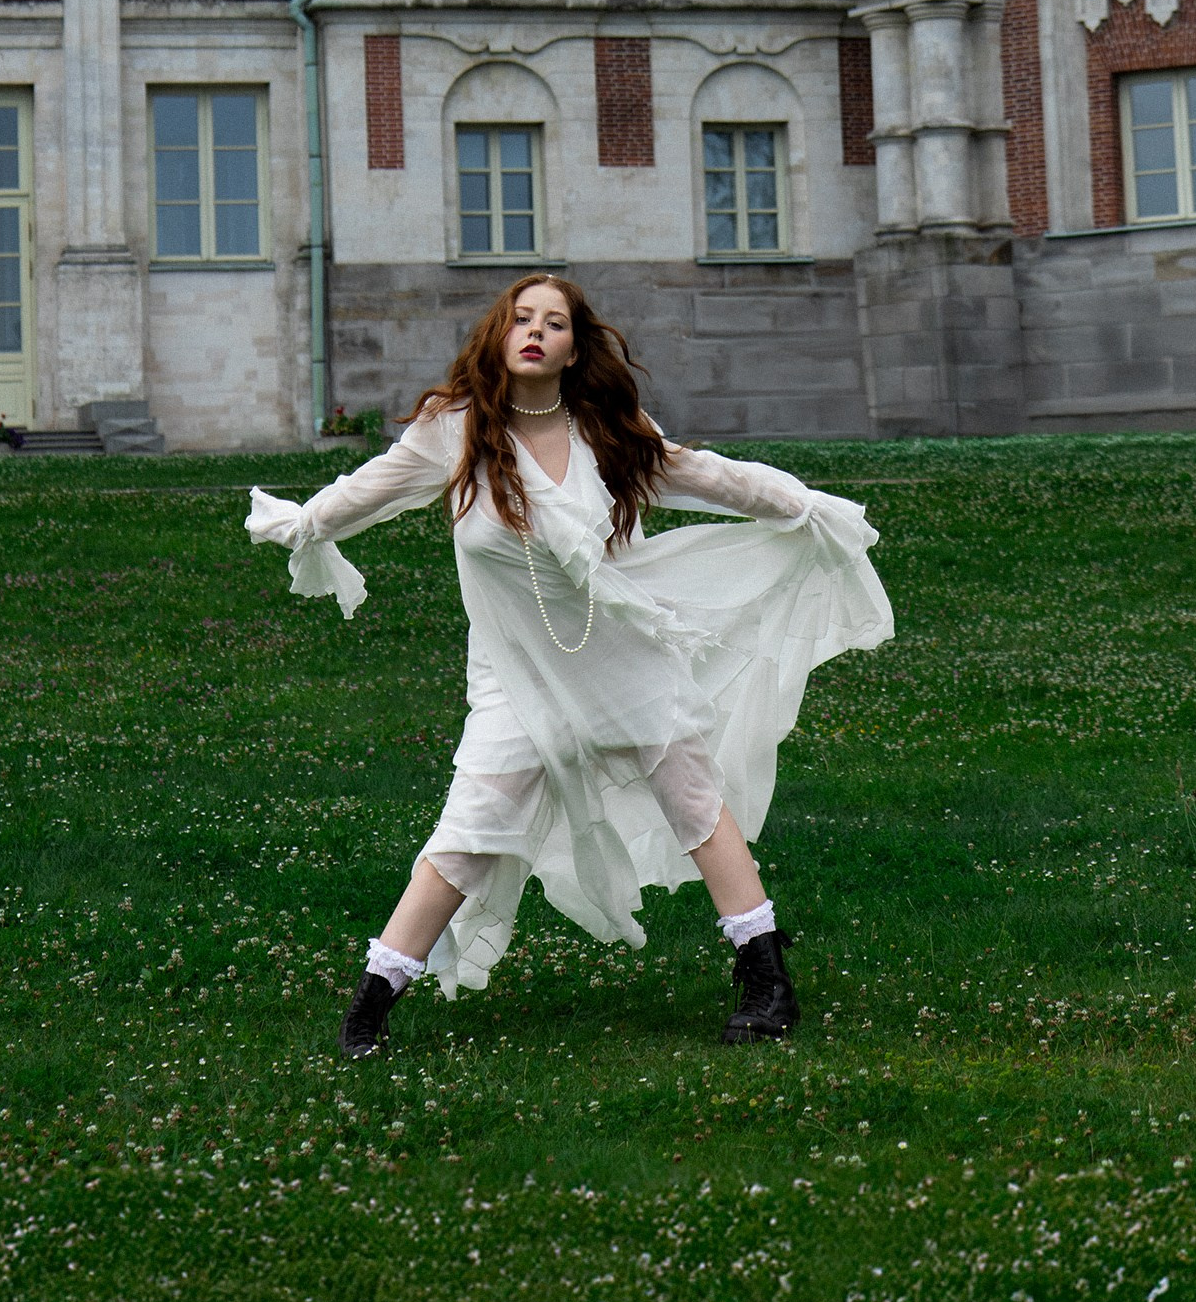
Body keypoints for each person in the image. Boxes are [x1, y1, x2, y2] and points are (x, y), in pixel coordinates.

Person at [243, 274, 894, 1058]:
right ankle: (371, 1008)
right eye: (521, 318)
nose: (535, 332)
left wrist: (805, 507)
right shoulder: (453, 432)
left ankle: (766, 981)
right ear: (499, 334)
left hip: (623, 654)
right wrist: (302, 524)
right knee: (470, 830)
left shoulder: (607, 430)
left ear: (574, 348)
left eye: (554, 324)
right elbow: (367, 490)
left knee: (695, 802)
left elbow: (701, 473)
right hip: (516, 675)